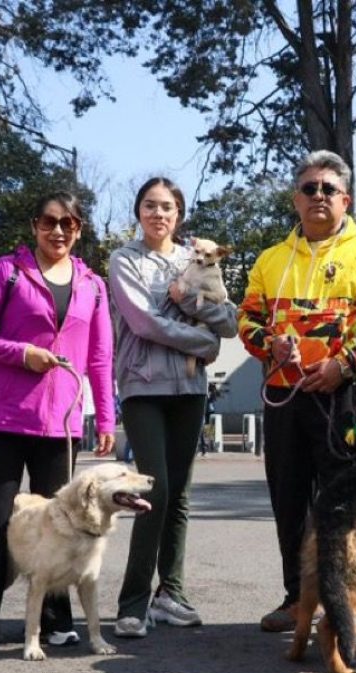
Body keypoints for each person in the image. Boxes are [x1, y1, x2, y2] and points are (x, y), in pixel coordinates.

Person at [237, 150, 356, 634]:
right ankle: (297, 597)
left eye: (329, 189)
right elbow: (247, 320)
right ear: (296, 199)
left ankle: (350, 602)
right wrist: (270, 344)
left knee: (345, 503)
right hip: (285, 397)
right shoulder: (270, 260)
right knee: (288, 501)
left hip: (344, 396)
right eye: (309, 188)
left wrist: (343, 364)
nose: (319, 196)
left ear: (346, 199)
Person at [0, 191, 116, 655]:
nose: (58, 230)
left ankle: (54, 621)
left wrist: (105, 415)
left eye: (69, 223)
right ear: (34, 226)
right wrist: (21, 353)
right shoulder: (6, 272)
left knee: (64, 522)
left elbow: (100, 357)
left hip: (61, 423)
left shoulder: (94, 285)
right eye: (49, 222)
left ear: (80, 229)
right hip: (3, 417)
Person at [110, 177, 238, 638]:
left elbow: (230, 320)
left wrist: (196, 306)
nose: (158, 214)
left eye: (167, 207)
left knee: (180, 491)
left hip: (189, 389)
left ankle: (172, 594)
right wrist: (202, 340)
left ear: (178, 214)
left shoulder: (196, 256)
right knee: (155, 487)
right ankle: (132, 602)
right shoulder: (124, 260)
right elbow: (144, 321)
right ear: (138, 212)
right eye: (149, 205)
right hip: (143, 384)